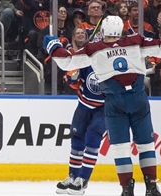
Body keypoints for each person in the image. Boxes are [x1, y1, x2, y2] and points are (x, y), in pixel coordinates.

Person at [43, 14, 161, 195]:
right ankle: (151, 187)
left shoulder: (94, 48)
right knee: (146, 145)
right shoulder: (135, 40)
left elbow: (67, 61)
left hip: (114, 103)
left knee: (121, 147)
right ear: (122, 28)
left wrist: (53, 46)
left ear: (102, 31)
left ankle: (126, 189)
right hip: (138, 99)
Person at [55, 29, 106, 195]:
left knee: (92, 138)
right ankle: (73, 176)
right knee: (77, 140)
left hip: (103, 108)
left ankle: (83, 180)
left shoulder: (112, 61)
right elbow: (73, 83)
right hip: (83, 106)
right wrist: (74, 77)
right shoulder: (85, 58)